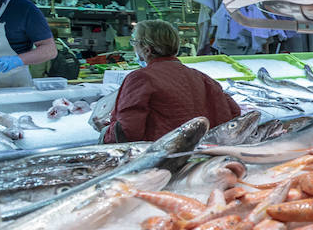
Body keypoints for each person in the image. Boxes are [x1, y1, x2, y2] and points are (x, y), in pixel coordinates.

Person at [102, 19, 239, 143]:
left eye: (135, 42)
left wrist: (105, 132)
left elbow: (127, 130)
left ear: (147, 49)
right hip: (202, 154)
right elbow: (234, 112)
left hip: (163, 159)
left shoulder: (140, 78)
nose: (134, 47)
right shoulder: (201, 77)